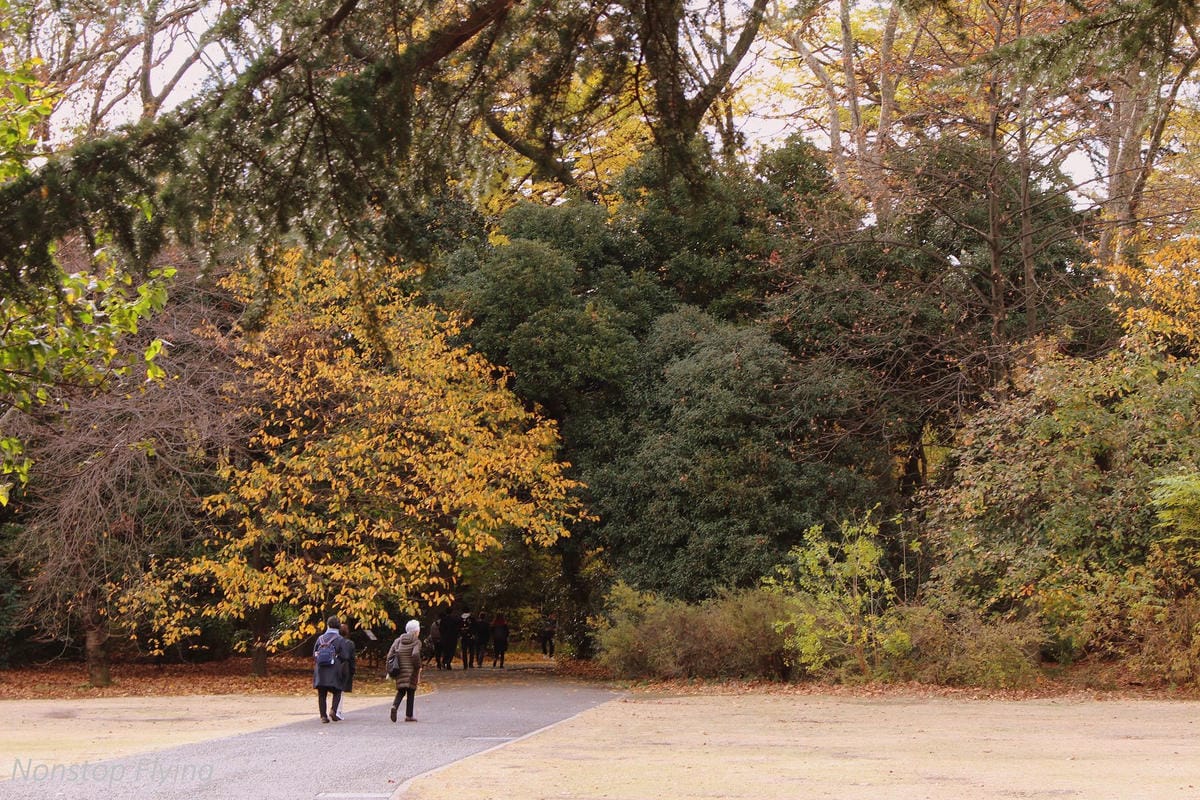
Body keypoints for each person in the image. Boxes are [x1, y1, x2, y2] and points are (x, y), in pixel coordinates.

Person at [312, 615, 351, 723]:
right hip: (334, 669)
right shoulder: (340, 639)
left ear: (328, 625)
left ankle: (323, 716)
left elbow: (314, 654)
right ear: (338, 626)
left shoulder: (320, 639)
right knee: (337, 691)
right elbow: (345, 656)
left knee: (322, 694)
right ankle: (333, 710)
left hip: (320, 670)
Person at [386, 619, 422, 722]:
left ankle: (394, 706)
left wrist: (389, 669)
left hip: (399, 669)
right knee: (411, 691)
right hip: (411, 671)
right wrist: (418, 666)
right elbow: (415, 654)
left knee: (401, 691)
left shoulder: (398, 640)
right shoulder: (416, 642)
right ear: (416, 631)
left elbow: (390, 655)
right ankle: (409, 715)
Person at [335, 623, 357, 720]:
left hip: (333, 667)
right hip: (344, 668)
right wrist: (352, 670)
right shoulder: (350, 644)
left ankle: (332, 710)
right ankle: (337, 711)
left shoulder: (334, 641)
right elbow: (352, 659)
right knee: (340, 691)